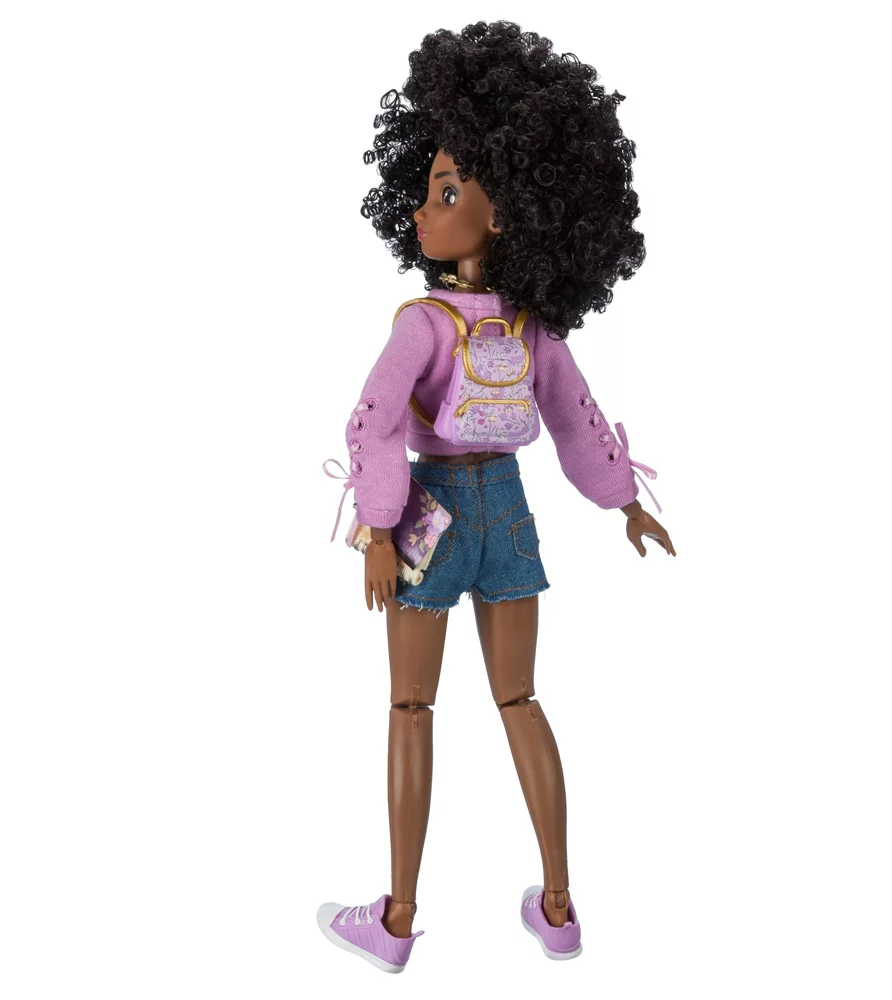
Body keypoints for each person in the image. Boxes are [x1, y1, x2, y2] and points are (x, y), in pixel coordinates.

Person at [317, 20, 675, 973]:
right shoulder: (533, 327)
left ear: (506, 215)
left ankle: (396, 922)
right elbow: (577, 417)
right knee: (520, 698)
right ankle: (557, 908)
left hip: (430, 516)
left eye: (447, 192)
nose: (423, 211)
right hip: (510, 516)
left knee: (411, 707)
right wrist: (622, 500)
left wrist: (380, 529)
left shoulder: (422, 324)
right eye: (428, 189)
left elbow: (373, 423)